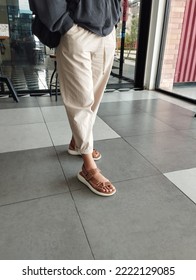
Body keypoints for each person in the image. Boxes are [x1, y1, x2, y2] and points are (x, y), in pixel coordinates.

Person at [28, 0, 121, 196]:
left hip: (107, 31)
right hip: (76, 29)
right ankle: (88, 167)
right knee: (80, 100)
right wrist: (65, 25)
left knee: (95, 95)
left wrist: (115, 17)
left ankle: (76, 143)